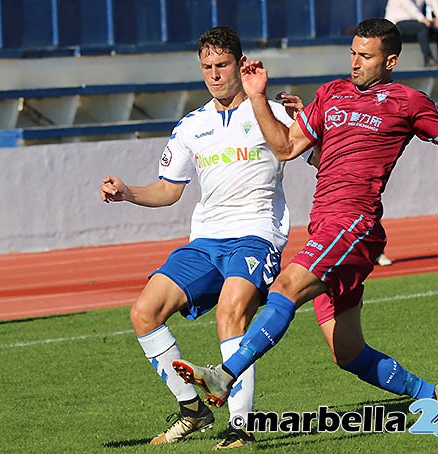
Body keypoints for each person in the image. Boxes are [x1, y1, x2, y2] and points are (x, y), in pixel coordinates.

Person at [173, 19, 438, 427]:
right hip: (325, 225)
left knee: (286, 286)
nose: (355, 63)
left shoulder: (408, 102)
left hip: (354, 222)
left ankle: (224, 374)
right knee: (347, 352)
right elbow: (286, 147)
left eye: (365, 55)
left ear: (390, 60)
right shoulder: (330, 93)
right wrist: (257, 97)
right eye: (352, 53)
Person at [100, 26, 297, 449]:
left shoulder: (272, 112)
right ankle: (192, 409)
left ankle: (240, 427)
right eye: (206, 66)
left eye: (222, 65)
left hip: (256, 236)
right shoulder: (192, 126)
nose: (213, 74)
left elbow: (317, 154)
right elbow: (170, 190)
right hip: (206, 241)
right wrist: (128, 193)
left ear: (240, 65)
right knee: (144, 311)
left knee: (232, 311)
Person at [385, 0, 438, 68]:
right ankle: (428, 60)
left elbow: (433, 2)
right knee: (422, 28)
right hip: (396, 23)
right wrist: (422, 19)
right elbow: (408, 6)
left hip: (416, 21)